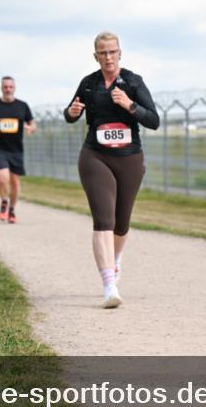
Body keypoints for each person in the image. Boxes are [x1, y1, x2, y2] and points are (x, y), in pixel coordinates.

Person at [64, 31, 160, 309]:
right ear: (96, 56)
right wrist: (71, 113)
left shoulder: (132, 82)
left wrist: (129, 105)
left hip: (129, 158)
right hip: (95, 156)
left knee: (121, 223)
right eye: (102, 53)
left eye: (112, 52)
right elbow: (70, 113)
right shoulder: (89, 83)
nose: (108, 57)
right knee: (103, 220)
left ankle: (115, 261)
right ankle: (109, 286)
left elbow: (153, 120)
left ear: (120, 53)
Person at [0, 76, 36, 223]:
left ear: (14, 88)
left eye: (10, 87)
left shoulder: (22, 106)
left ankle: (12, 210)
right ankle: (4, 201)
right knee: (2, 177)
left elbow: (32, 122)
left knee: (15, 182)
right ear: (1, 88)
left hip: (16, 149)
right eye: (5, 87)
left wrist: (31, 128)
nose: (8, 89)